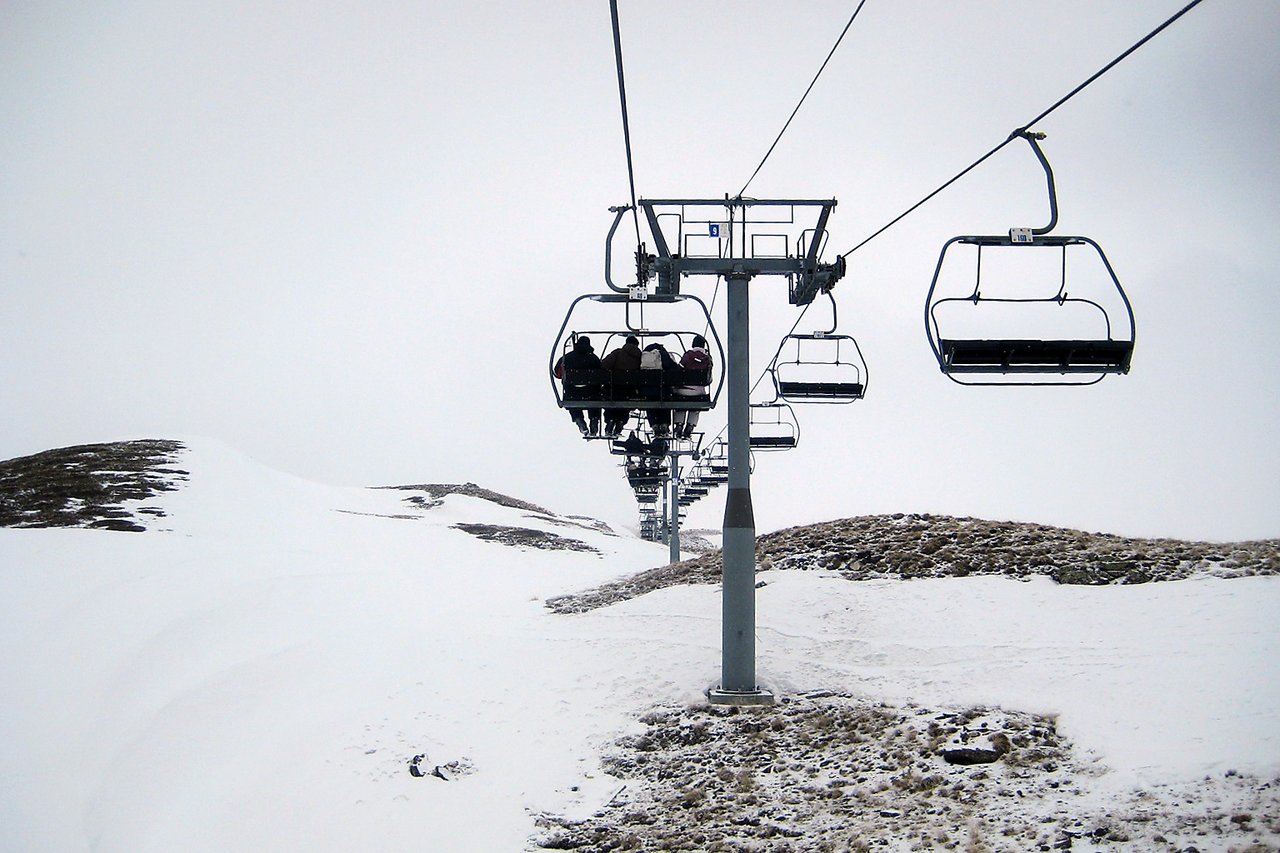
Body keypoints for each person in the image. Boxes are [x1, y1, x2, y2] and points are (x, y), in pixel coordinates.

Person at [559, 336, 603, 436]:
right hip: (591, 393)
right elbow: (602, 375)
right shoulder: (594, 358)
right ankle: (594, 420)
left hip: (572, 393)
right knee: (595, 399)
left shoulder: (567, 357)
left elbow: (557, 372)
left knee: (573, 400)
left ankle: (579, 420)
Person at [600, 335, 643, 437]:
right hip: (630, 391)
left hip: (613, 388)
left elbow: (604, 365)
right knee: (625, 406)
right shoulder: (640, 357)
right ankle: (620, 421)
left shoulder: (618, 353)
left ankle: (610, 420)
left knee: (610, 402)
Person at [671, 335, 712, 439]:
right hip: (698, 392)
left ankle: (679, 424)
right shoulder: (707, 359)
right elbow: (709, 379)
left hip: (683, 390)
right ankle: (690, 426)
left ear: (693, 344)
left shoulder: (688, 356)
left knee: (681, 404)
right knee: (695, 406)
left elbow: (678, 372)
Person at [641, 342, 677, 437]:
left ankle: (654, 425)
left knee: (650, 404)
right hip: (663, 390)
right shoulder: (664, 356)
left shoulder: (643, 357)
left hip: (647, 391)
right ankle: (664, 424)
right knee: (665, 403)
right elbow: (674, 369)